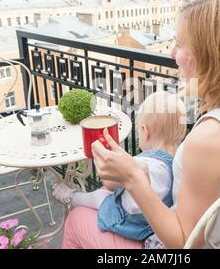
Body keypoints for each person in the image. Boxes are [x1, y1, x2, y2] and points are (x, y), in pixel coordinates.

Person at [62, 0, 220, 249]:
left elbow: (184, 244)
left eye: (180, 44)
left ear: (207, 55)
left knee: (76, 219)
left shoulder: (209, 138)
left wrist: (133, 178)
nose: (173, 52)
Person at [53, 91, 187, 241]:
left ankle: (72, 197)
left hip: (130, 221)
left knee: (101, 196)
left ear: (145, 131)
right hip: (154, 223)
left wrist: (104, 158)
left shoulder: (145, 163)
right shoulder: (176, 163)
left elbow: (110, 184)